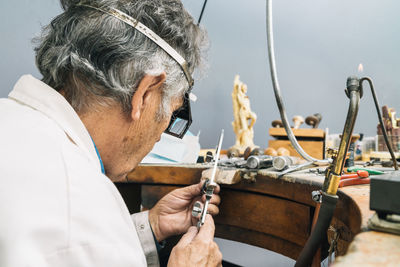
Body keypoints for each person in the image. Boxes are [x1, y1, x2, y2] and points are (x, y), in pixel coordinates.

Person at [0, 0, 222, 266]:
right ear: (145, 93)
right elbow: (85, 241)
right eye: (173, 111)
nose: (161, 133)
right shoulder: (90, 215)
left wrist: (146, 229)